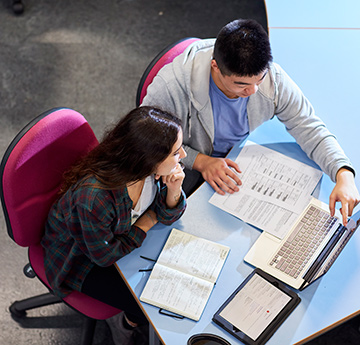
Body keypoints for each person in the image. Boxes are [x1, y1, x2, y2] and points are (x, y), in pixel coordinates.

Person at [141, 18, 359, 225]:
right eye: (241, 84)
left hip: (235, 161)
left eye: (259, 79)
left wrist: (343, 173)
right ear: (215, 67)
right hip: (185, 164)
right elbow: (147, 142)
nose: (254, 91)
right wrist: (201, 162)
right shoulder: (171, 86)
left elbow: (309, 127)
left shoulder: (271, 79)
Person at [41, 106, 187, 345]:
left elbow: (168, 214)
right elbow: (103, 256)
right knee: (149, 306)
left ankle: (130, 318)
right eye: (174, 152)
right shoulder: (94, 199)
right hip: (79, 260)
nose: (182, 155)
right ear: (148, 158)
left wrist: (174, 190)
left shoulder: (149, 172)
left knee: (167, 287)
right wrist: (148, 220)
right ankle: (124, 323)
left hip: (120, 239)